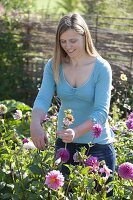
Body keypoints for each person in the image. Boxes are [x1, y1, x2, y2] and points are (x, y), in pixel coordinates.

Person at [30, 13, 116, 197]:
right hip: (65, 146)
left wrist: (76, 131)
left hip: (98, 148)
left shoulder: (101, 67)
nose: (67, 46)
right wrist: (35, 123)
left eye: (72, 40)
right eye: (62, 41)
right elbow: (43, 99)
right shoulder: (54, 65)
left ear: (85, 35)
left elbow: (101, 113)